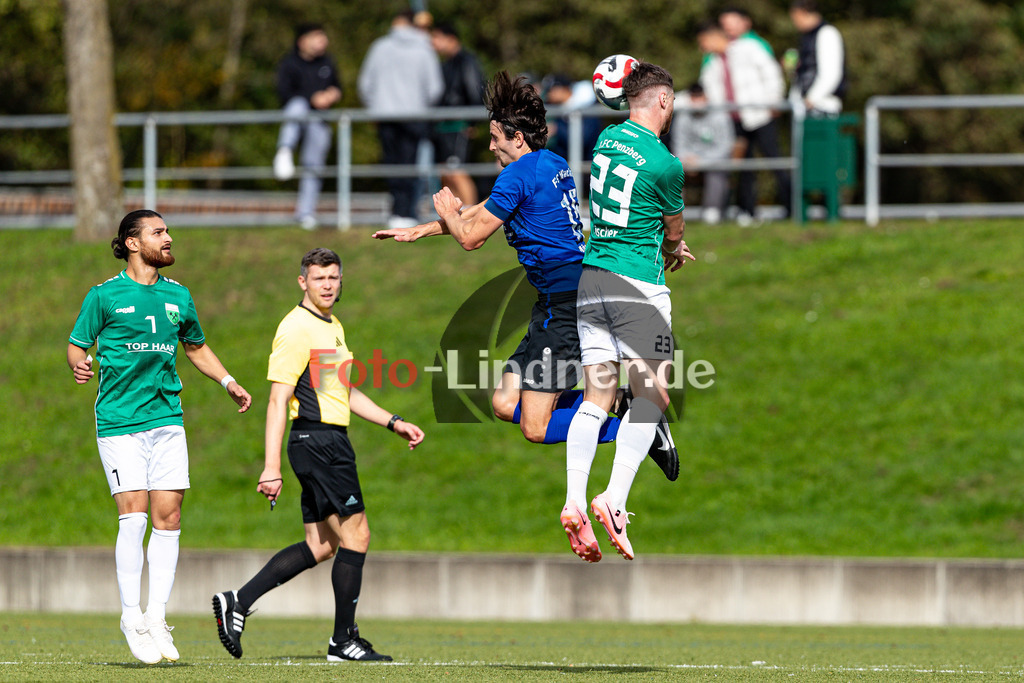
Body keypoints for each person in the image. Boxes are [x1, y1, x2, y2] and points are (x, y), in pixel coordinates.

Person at [212, 247, 424, 663]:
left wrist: (392, 421)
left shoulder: (333, 326)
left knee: (323, 543)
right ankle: (343, 641)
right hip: (319, 443)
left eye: (333, 277)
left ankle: (238, 600)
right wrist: (271, 467)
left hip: (324, 441)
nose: (327, 285)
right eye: (318, 278)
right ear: (302, 282)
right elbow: (278, 401)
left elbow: (344, 390)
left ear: (341, 280)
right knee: (357, 535)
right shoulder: (295, 328)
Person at [67, 209, 252, 664]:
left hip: (167, 418)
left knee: (168, 517)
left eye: (167, 230)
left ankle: (156, 617)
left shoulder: (179, 296)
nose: (168, 238)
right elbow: (77, 343)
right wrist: (78, 362)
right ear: (132, 243)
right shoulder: (104, 296)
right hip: (119, 421)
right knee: (134, 516)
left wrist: (228, 381)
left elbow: (195, 345)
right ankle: (131, 616)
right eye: (158, 232)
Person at [565, 61, 695, 563]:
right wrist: (674, 250)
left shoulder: (606, 140)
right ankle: (614, 500)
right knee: (654, 392)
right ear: (662, 101)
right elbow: (674, 228)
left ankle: (575, 498)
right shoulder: (667, 164)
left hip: (592, 277)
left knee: (596, 394)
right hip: (637, 283)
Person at [698, 18, 790, 224]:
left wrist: (774, 100)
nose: (702, 47)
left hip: (760, 115)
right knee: (743, 168)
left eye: (703, 41)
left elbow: (771, 73)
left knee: (775, 161)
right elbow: (709, 91)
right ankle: (747, 211)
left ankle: (791, 207)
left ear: (713, 37)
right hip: (734, 120)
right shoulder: (712, 63)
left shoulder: (749, 48)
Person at [358, 9, 444, 228]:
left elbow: (365, 84)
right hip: (414, 115)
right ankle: (407, 211)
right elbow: (435, 88)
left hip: (385, 115)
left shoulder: (380, 47)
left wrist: (375, 107)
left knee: (392, 164)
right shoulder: (424, 50)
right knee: (409, 165)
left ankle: (398, 211)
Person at [273, 23, 343, 231]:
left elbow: (338, 88)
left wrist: (332, 94)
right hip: (297, 115)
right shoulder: (289, 63)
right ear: (302, 40)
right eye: (317, 36)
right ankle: (285, 149)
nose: (323, 41)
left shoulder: (327, 62)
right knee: (297, 106)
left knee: (314, 166)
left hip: (320, 120)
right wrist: (312, 98)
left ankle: (306, 213)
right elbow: (284, 94)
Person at [429, 21, 486, 206]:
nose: (433, 43)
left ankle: (470, 216)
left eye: (436, 38)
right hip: (444, 126)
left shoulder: (467, 61)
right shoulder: (446, 63)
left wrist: (472, 122)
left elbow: (476, 92)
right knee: (446, 173)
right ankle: (453, 218)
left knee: (457, 171)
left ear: (451, 39)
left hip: (458, 125)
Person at [672, 82, 735, 225]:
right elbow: (679, 145)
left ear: (706, 97)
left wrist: (701, 162)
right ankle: (674, 213)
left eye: (699, 96)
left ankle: (712, 211)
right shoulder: (683, 117)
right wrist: (686, 161)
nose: (697, 101)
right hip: (688, 161)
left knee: (717, 170)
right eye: (694, 97)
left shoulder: (721, 117)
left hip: (712, 161)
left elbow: (725, 148)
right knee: (672, 170)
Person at [789, 0, 847, 115]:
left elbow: (831, 73)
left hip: (822, 107)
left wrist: (812, 98)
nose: (794, 23)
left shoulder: (827, 33)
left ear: (803, 13)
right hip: (806, 107)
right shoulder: (807, 37)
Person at [542, 73, 602, 165]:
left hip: (587, 166)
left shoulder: (587, 107)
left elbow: (583, 139)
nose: (549, 95)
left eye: (551, 91)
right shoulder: (562, 109)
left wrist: (557, 129)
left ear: (562, 89)